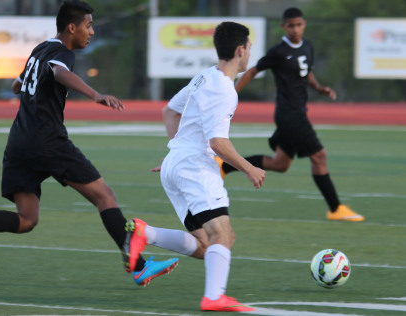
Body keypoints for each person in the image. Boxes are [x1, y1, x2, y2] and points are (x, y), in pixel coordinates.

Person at [0, 0, 178, 287]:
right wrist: (95, 94)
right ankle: (138, 266)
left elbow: (16, 86)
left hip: (19, 143)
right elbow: (59, 72)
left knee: (26, 220)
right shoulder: (61, 52)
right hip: (48, 141)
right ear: (72, 28)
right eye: (88, 25)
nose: (92, 32)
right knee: (104, 197)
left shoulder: (39, 50)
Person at [125, 22, 265, 312]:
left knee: (205, 245)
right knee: (222, 235)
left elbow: (170, 111)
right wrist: (249, 168)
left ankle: (144, 233)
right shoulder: (225, 89)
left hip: (176, 165)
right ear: (240, 50)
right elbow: (217, 143)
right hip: (194, 167)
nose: (249, 53)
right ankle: (214, 297)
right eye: (249, 48)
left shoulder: (204, 77)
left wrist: (178, 151)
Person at [223, 7, 364, 222]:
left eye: (299, 24)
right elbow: (252, 71)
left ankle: (223, 165)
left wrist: (318, 88)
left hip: (297, 112)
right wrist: (232, 94)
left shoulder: (307, 46)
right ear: (284, 27)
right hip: (290, 115)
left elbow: (306, 72)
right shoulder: (278, 51)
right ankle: (335, 208)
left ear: (304, 24)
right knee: (319, 156)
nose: (295, 29)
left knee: (280, 164)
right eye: (291, 25)